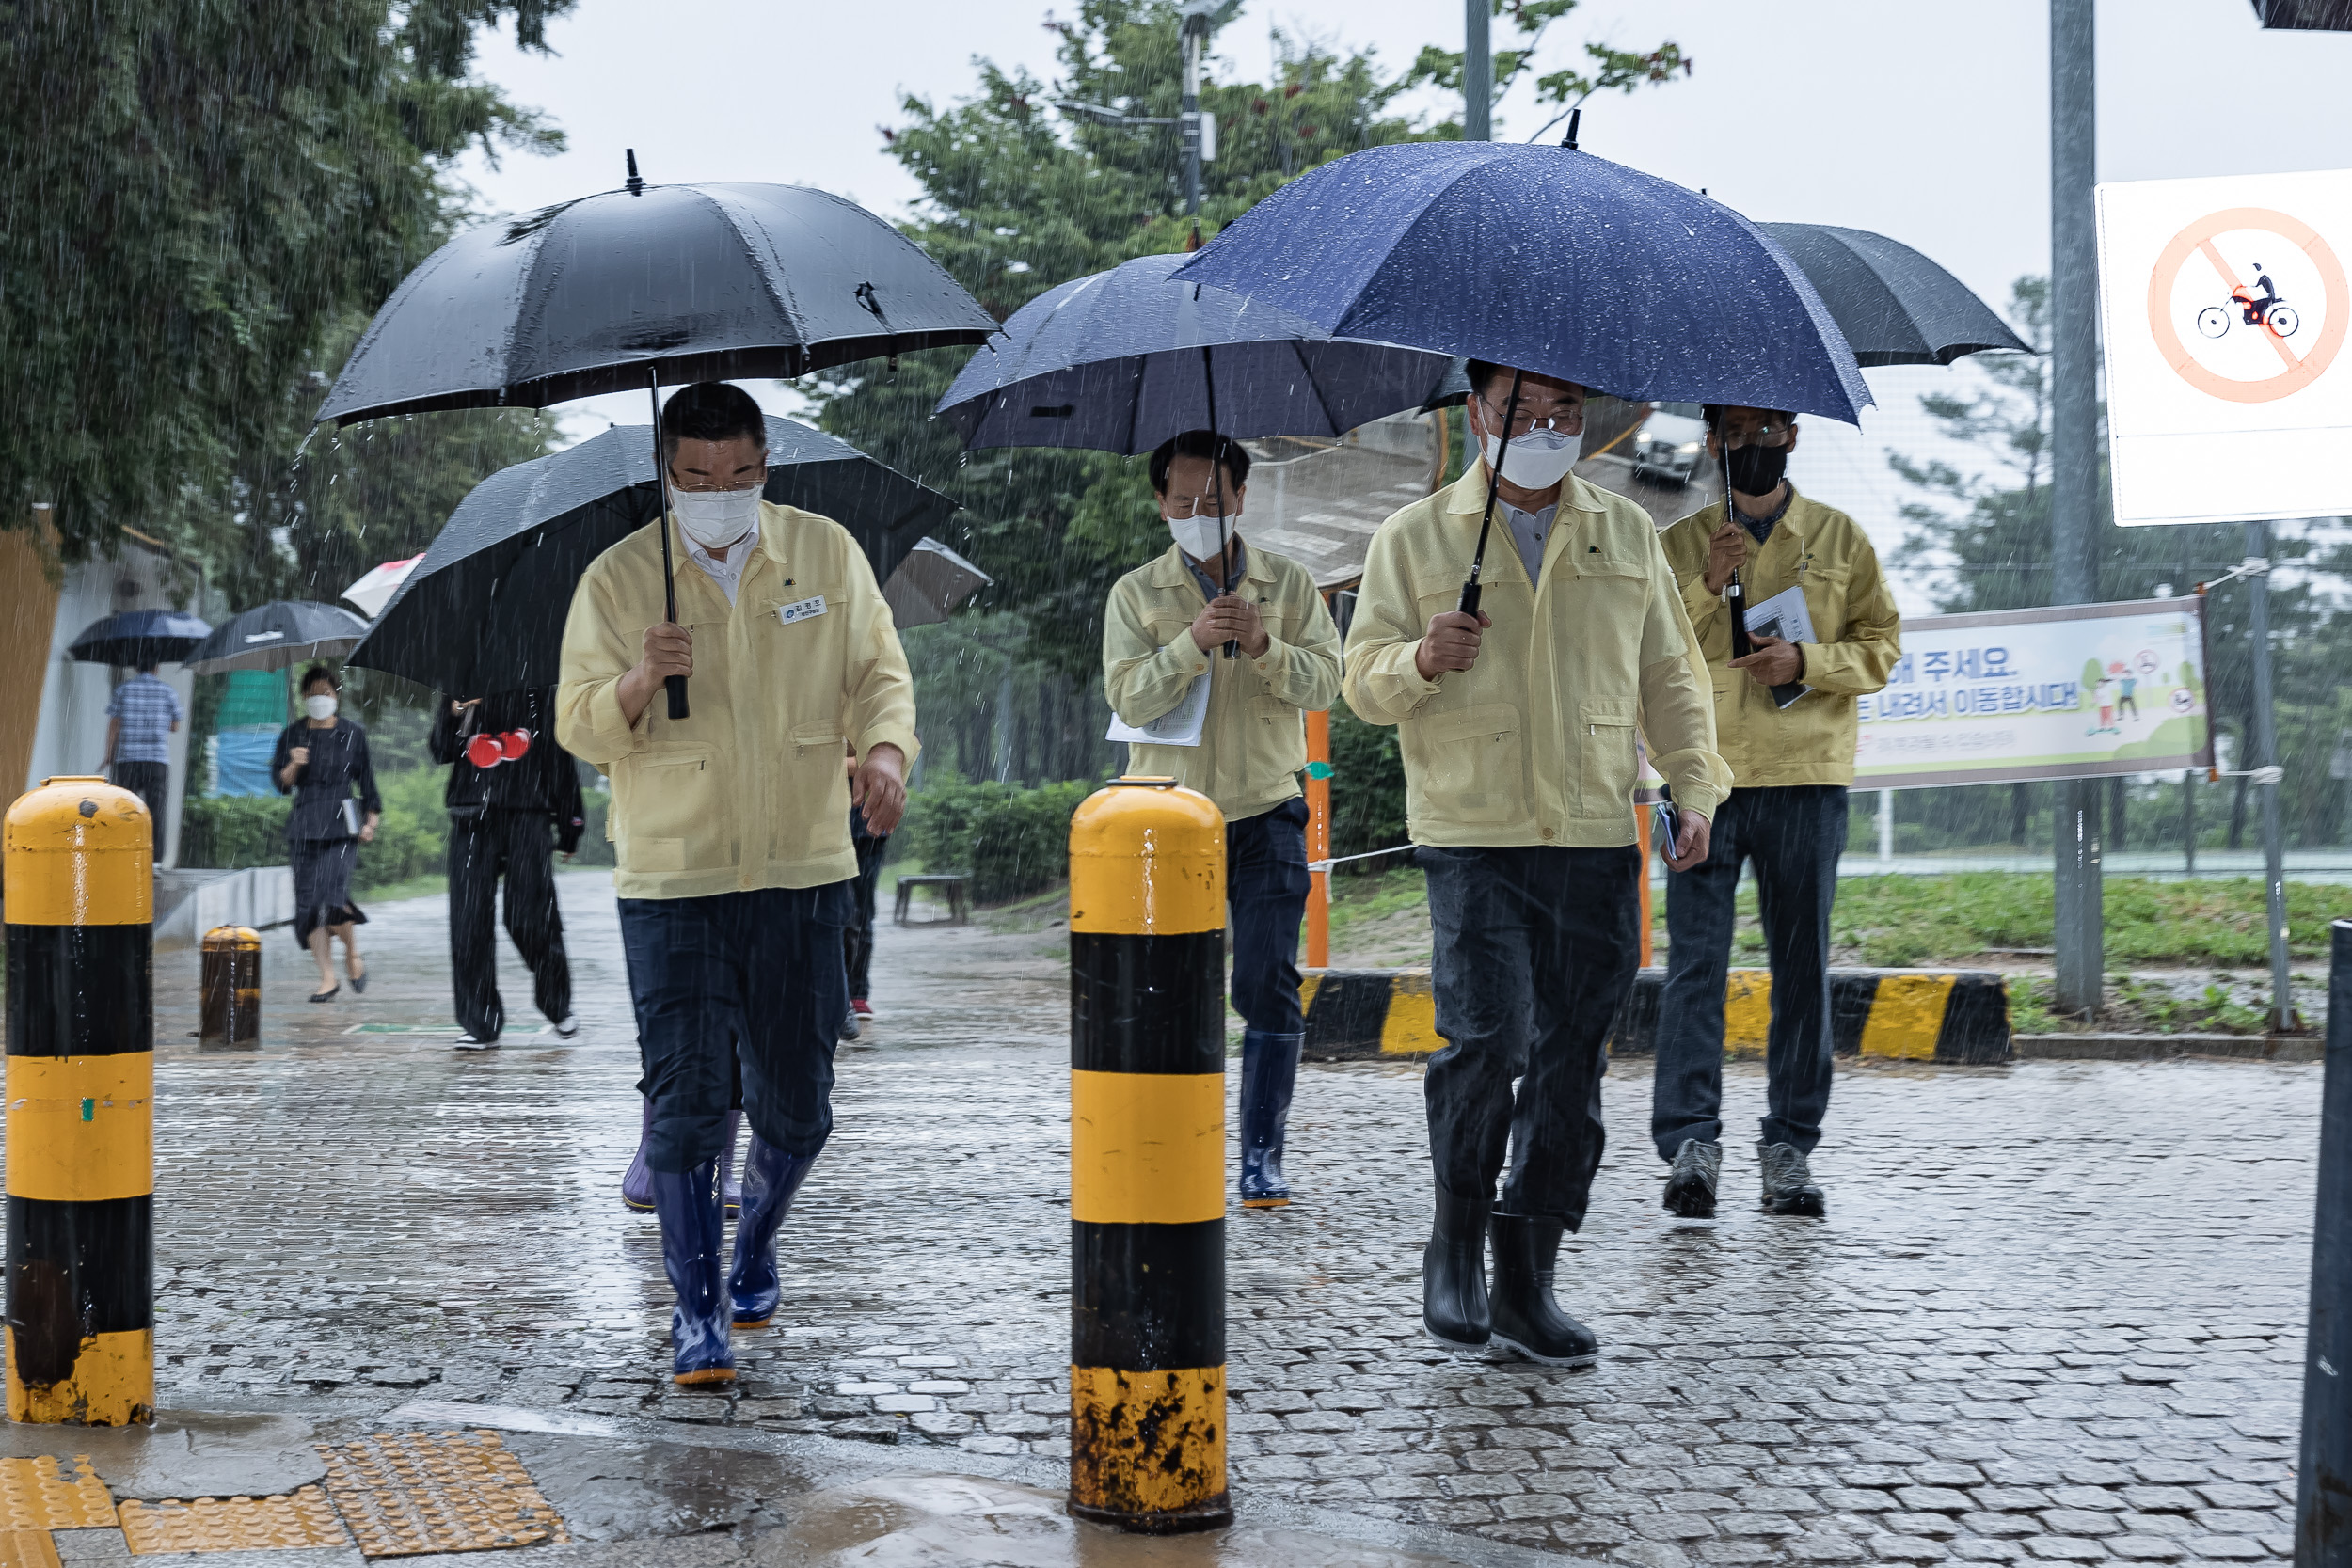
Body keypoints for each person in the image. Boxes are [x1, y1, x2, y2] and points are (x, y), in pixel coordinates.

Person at [1343, 362, 1726, 1365]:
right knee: (1486, 1040)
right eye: (1523, 409)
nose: (1548, 427)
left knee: (1570, 1067)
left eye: (1564, 411)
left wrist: (1695, 784)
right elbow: (1361, 686)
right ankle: (1455, 1242)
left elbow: (1670, 675)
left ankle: (1529, 1275)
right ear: (1477, 413)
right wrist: (1418, 659)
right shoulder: (1414, 536)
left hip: (1594, 830)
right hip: (1473, 833)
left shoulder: (1624, 531)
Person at [556, 381, 915, 1386]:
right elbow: (576, 721)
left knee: (799, 1106)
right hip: (672, 878)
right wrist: (634, 678)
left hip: (804, 866)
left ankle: (756, 1237)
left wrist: (884, 750)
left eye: (740, 474)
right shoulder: (621, 578)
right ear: (667, 474)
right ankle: (697, 1306)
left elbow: (879, 672)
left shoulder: (825, 554)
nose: (720, 493)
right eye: (697, 478)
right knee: (684, 1103)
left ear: (766, 465)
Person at [1651, 405, 1902, 1221]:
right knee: (1696, 965)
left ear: (1792, 435)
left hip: (1806, 779)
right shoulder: (1682, 543)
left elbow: (1882, 646)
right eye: (1735, 433)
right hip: (1705, 784)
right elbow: (1646, 649)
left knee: (1802, 966)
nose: (1752, 446)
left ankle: (1790, 1142)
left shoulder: (1840, 538)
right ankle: (1692, 1141)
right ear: (1711, 440)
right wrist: (1705, 583)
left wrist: (1809, 660)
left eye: (1768, 430)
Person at [1102, 429, 1343, 1209]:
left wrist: (1265, 643)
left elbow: (1327, 684)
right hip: (1166, 816)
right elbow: (1130, 699)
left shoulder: (1288, 583)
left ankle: (1262, 1154)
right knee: (1166, 989)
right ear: (1159, 502)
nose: (1198, 512)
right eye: (1182, 501)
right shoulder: (1135, 593)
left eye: (1213, 499)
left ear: (1242, 498)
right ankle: (1166, 1145)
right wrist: (1190, 644)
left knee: (1267, 980)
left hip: (1267, 810)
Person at [430, 688, 586, 1050]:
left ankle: (556, 1002)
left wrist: (570, 823)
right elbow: (440, 751)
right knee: (469, 922)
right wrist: (456, 714)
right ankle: (479, 1021)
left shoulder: (538, 687)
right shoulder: (461, 683)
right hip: (471, 815)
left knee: (530, 916)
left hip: (528, 814)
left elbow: (556, 754)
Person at [271, 665, 382, 1003]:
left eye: (327, 692)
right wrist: (294, 764)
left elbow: (368, 785)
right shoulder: (293, 735)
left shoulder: (353, 733)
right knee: (308, 905)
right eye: (315, 692)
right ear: (305, 696)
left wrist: (370, 823)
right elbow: (281, 784)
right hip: (304, 825)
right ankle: (327, 977)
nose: (321, 698)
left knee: (332, 898)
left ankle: (352, 953)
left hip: (341, 825)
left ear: (336, 696)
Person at [104, 659, 182, 860]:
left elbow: (114, 724)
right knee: (156, 810)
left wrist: (109, 755)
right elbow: (175, 726)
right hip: (157, 761)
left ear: (136, 667)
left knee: (124, 809)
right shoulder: (167, 691)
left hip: (128, 759)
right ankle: (154, 861)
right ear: (157, 667)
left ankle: (122, 854)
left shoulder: (123, 690)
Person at [840, 747, 888, 1041]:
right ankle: (840, 991)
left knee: (860, 913)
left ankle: (856, 992)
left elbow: (891, 754)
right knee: (837, 916)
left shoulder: (877, 708)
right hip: (823, 827)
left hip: (867, 828)